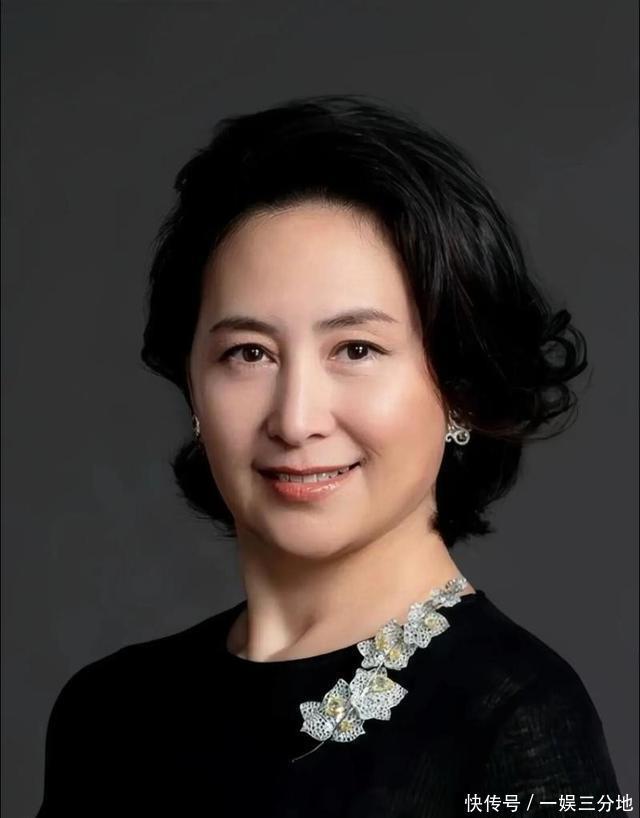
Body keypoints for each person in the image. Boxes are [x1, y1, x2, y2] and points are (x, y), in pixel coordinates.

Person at [37, 94, 622, 817]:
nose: (296, 419)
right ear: (192, 385)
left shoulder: (519, 715)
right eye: (249, 353)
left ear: (461, 389)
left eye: (356, 349)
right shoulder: (107, 709)